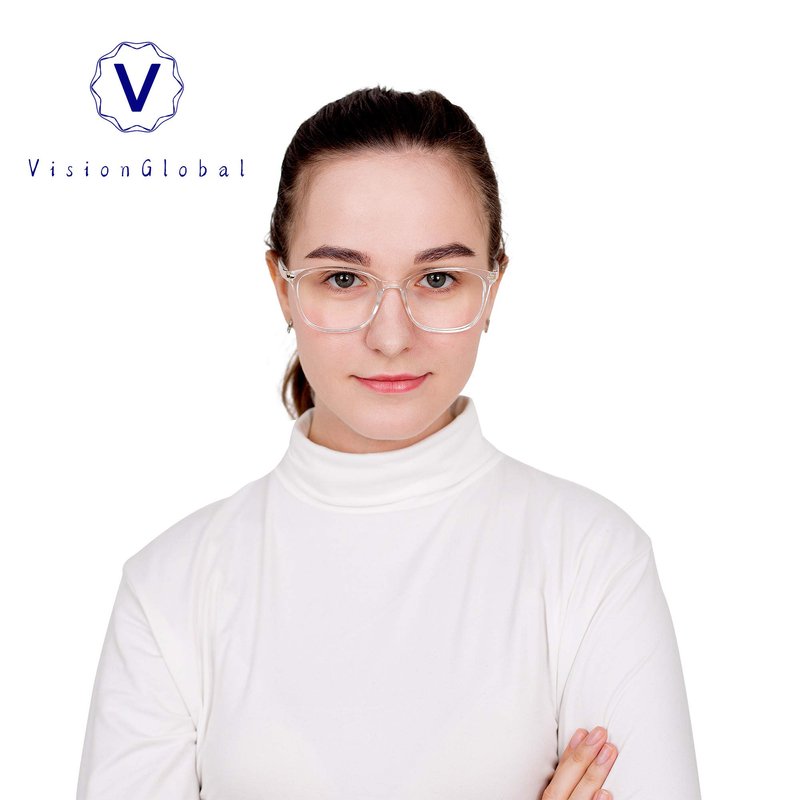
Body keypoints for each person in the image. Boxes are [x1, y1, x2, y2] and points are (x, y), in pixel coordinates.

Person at [75, 87, 702, 800]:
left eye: (437, 278)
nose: (392, 334)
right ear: (282, 288)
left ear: (493, 286)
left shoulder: (592, 558)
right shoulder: (169, 589)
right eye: (344, 278)